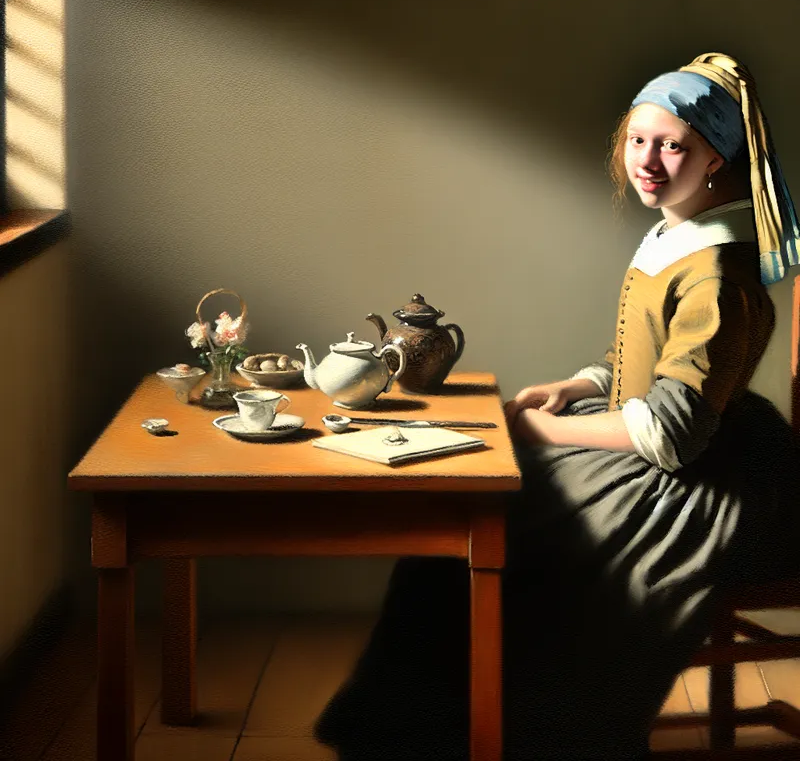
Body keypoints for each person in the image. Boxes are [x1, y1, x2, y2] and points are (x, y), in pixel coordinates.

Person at [312, 52, 800, 761]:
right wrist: (575, 390)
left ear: (718, 157)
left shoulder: (719, 274)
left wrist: (543, 430)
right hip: (659, 444)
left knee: (528, 543)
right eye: (639, 140)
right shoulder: (670, 239)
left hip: (708, 478)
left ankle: (519, 734)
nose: (650, 161)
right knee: (462, 529)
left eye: (674, 146)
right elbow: (639, 365)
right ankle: (431, 731)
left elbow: (672, 430)